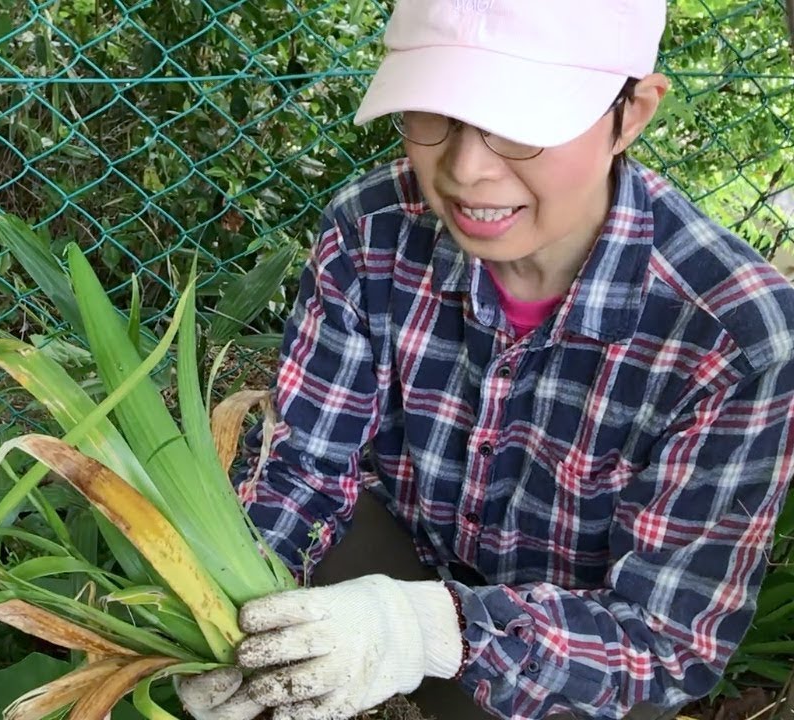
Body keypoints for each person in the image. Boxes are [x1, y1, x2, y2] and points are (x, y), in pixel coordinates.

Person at [174, 1, 794, 719]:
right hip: (403, 538)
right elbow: (302, 470)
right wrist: (221, 615)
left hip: (585, 633)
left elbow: (666, 644)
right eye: (433, 111)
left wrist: (434, 629)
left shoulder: (733, 335)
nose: (468, 170)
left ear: (632, 113)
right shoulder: (369, 231)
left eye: (522, 122)